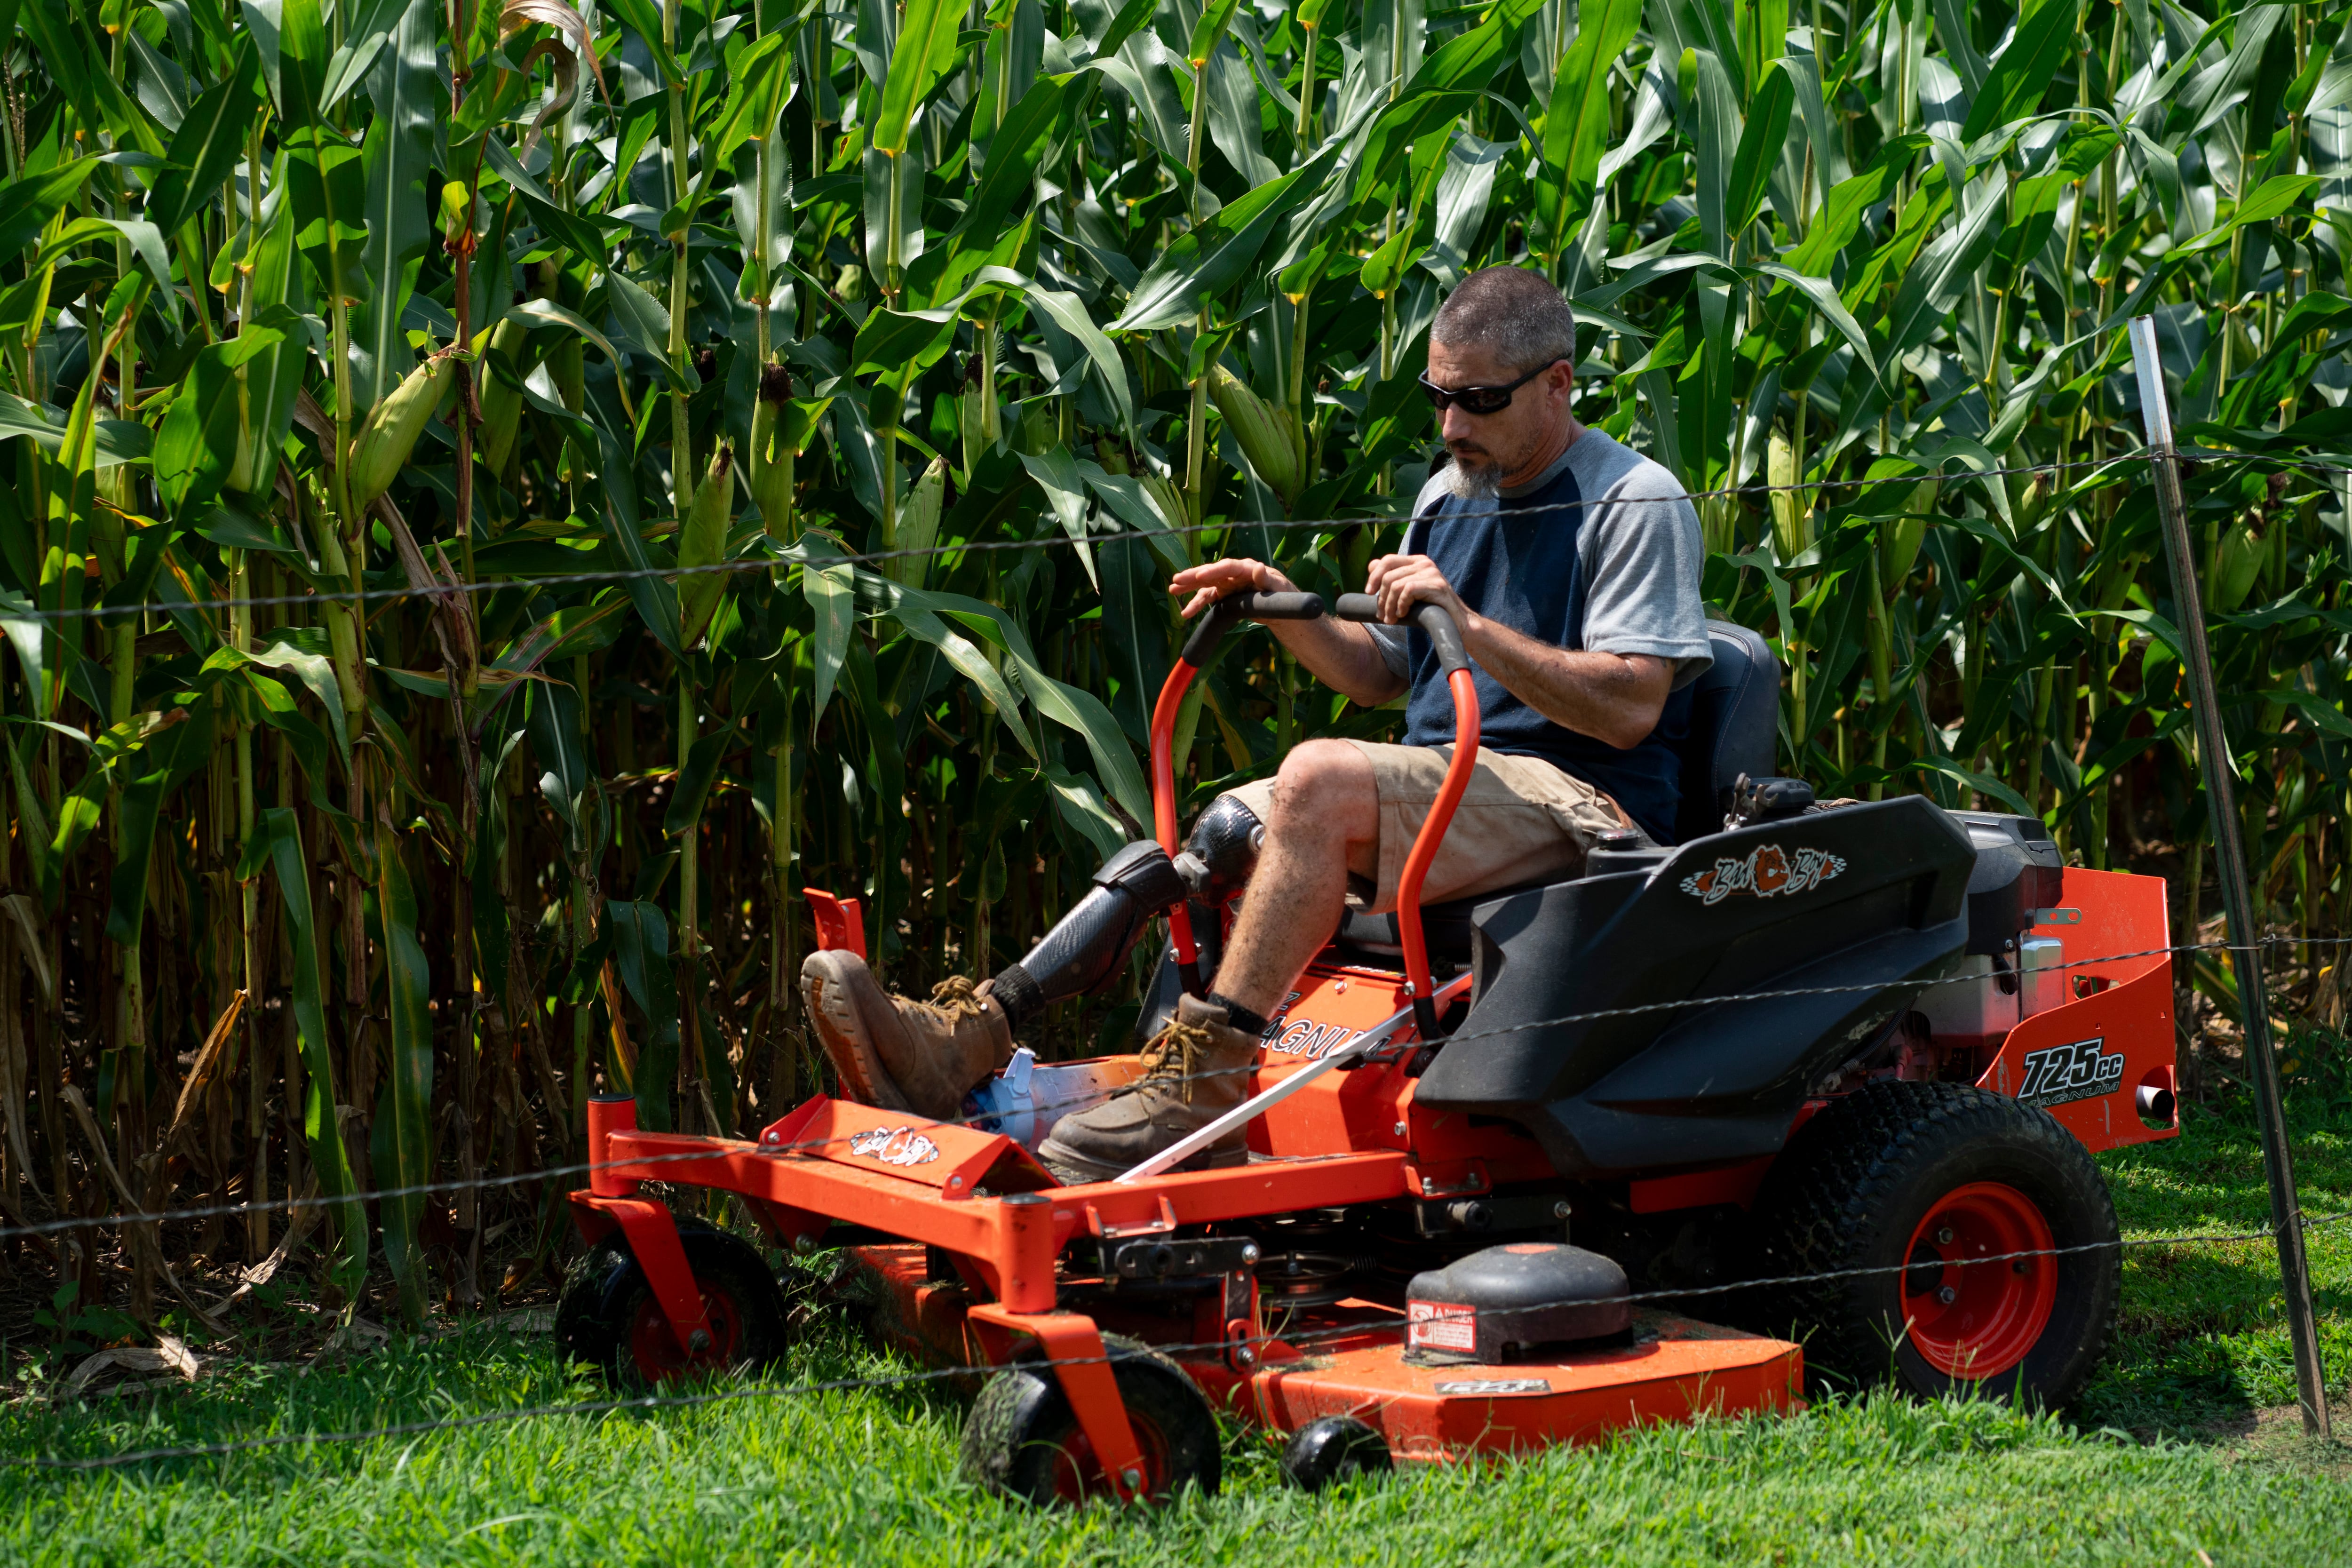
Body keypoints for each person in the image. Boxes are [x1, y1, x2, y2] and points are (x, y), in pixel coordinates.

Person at [801, 266, 1713, 1183]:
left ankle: (1205, 1086)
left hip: (1580, 804)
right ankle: (970, 1033)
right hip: (1459, 773)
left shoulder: (1631, 498)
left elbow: (1632, 706)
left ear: (1556, 383)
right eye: (1438, 397)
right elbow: (1381, 672)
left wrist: (1467, 624)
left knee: (1317, 778)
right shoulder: (1451, 494)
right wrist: (1282, 604)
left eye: (1478, 401)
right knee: (1225, 828)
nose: (1451, 427)